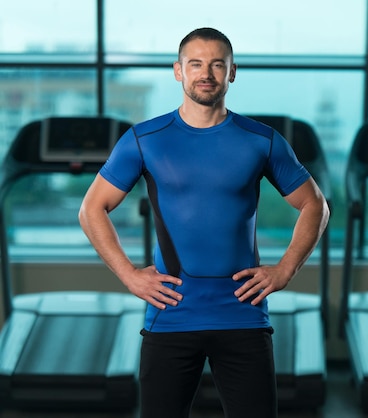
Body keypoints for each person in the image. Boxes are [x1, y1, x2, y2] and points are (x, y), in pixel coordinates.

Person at [78, 27, 330, 418]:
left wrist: (284, 270)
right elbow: (91, 209)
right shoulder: (144, 139)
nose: (206, 73)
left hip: (243, 316)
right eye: (195, 64)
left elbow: (316, 205)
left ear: (232, 72)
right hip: (171, 314)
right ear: (178, 71)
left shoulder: (261, 140)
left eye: (217, 64)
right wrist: (129, 275)